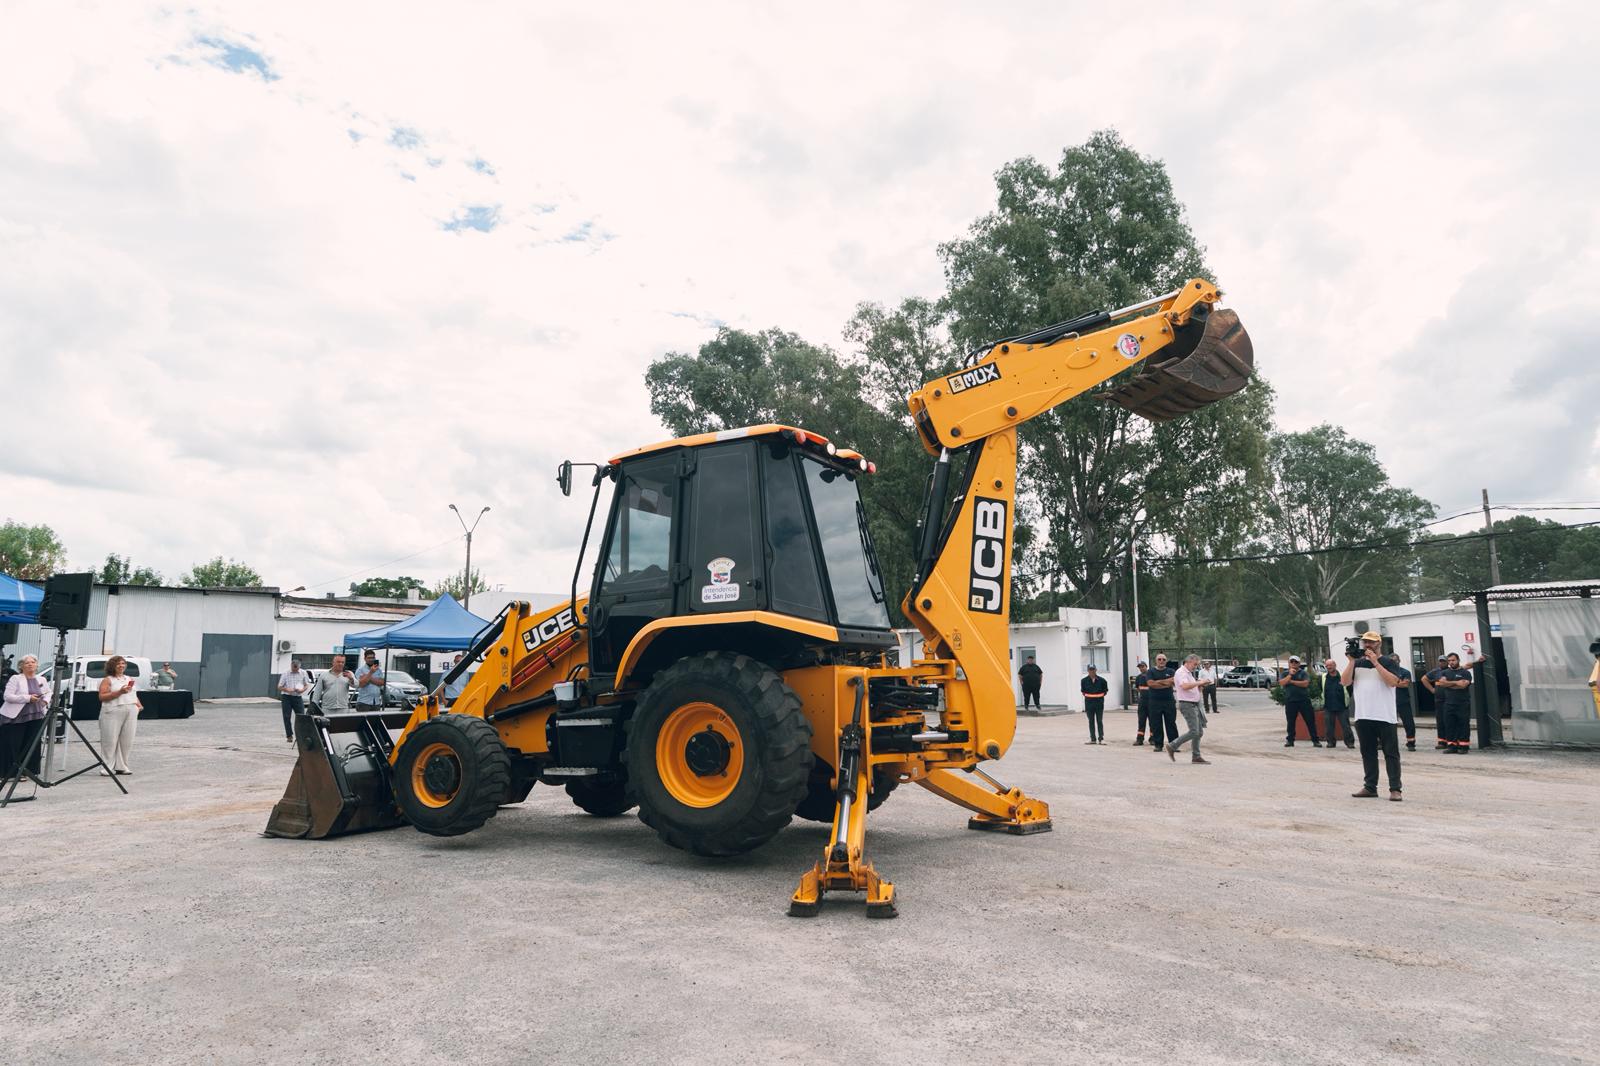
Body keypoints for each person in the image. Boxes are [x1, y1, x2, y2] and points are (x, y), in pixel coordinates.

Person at [1342, 631, 1402, 800]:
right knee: (1368, 753)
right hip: (1363, 715)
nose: (1368, 645)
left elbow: (1392, 682)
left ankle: (1395, 789)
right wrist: (1351, 662)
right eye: (1365, 642)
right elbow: (1345, 682)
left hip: (1385, 715)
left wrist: (1376, 662)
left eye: (1371, 642)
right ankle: (1370, 787)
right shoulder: (1358, 663)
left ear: (1379, 644)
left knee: (1391, 753)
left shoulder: (1389, 662)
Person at [1, 654, 50, 780]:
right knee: (14, 743)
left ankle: (27, 771)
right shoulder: (15, 678)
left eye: (33, 662)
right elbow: (7, 696)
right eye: (27, 662)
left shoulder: (41, 679)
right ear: (21, 666)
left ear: (37, 665)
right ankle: (10, 772)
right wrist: (28, 698)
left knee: (32, 743)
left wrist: (44, 701)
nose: (30, 664)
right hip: (17, 716)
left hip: (36, 715)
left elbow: (48, 692)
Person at [97, 654, 141, 776]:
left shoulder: (129, 678)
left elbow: (133, 694)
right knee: (109, 740)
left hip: (130, 709)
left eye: (123, 663)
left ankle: (122, 766)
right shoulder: (108, 680)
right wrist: (119, 692)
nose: (121, 666)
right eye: (118, 664)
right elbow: (102, 696)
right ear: (113, 666)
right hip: (112, 710)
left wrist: (138, 705)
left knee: (127, 740)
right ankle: (107, 766)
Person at [1167, 653, 1210, 764]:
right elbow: (1184, 686)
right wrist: (1199, 682)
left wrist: (1199, 687)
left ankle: (1196, 756)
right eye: (1195, 664)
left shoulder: (1189, 674)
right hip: (1187, 704)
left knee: (1199, 732)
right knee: (1194, 731)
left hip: (1194, 704)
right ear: (1188, 661)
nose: (1195, 666)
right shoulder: (1181, 672)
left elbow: (1191, 687)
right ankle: (1172, 745)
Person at [1436, 652, 1477, 753]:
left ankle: (1463, 746)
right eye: (1449, 661)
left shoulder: (1465, 673)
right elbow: (1442, 683)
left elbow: (1463, 685)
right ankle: (1452, 746)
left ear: (1458, 660)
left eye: (1453, 660)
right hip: (1448, 703)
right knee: (1450, 725)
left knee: (1463, 724)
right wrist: (1456, 683)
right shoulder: (1444, 672)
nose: (1451, 662)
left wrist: (1449, 684)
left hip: (1462, 703)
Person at [1281, 656, 1320, 747]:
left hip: (1304, 700)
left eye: (1296, 662)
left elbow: (1305, 684)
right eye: (1292, 662)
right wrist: (1290, 675)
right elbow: (1282, 683)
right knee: (1290, 722)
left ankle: (1315, 740)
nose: (1294, 663)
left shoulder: (1303, 673)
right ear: (1289, 663)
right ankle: (1290, 740)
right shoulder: (1285, 673)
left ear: (1299, 663)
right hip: (1291, 701)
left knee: (1310, 720)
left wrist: (1291, 681)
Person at [1144, 653, 1177, 753]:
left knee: (1171, 723)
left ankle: (1174, 744)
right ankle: (1158, 745)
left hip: (1169, 701)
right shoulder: (1150, 671)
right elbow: (1151, 684)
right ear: (1156, 661)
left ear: (1166, 661)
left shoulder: (1171, 671)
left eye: (1163, 659)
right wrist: (1166, 683)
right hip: (1155, 702)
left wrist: (1157, 682)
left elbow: (1174, 682)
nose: (1161, 661)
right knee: (1156, 724)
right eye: (1159, 659)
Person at [1322, 658, 1355, 749]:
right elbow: (1321, 689)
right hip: (1328, 706)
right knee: (1329, 726)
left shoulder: (1342, 676)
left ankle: (1350, 742)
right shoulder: (1323, 677)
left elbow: (1349, 689)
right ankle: (1330, 742)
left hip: (1342, 706)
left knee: (1346, 726)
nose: (1329, 667)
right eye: (1327, 665)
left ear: (1335, 665)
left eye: (1330, 665)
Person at [277, 659, 309, 743]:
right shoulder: (285, 673)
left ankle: (301, 735)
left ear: (299, 667)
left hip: (298, 697)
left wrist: (302, 690)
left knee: (301, 716)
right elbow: (279, 686)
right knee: (287, 716)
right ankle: (289, 735)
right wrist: (287, 689)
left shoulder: (303, 673)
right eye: (294, 669)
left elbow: (306, 685)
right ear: (291, 666)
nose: (295, 670)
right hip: (286, 697)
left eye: (297, 669)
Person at [1422, 655, 1449, 748]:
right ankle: (1442, 741)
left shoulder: (1451, 671)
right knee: (1440, 720)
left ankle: (1452, 741)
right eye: (1440, 661)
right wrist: (1432, 690)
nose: (1442, 663)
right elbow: (1424, 679)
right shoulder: (1435, 672)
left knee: (1450, 720)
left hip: (1450, 699)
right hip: (1439, 700)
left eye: (1444, 661)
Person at [1391, 660, 1418, 751]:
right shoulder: (1387, 671)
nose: (1394, 662)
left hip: (1403, 701)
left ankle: (1411, 742)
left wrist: (1392, 683)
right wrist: (1398, 683)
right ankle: (1386, 742)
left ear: (1399, 661)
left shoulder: (1405, 672)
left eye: (1395, 660)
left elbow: (1405, 684)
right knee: (1388, 723)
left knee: (1408, 722)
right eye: (1392, 660)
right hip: (1389, 702)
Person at [1080, 665, 1107, 745]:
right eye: (1090, 670)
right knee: (1091, 721)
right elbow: (1083, 692)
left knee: (1099, 721)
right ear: (1088, 670)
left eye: (1093, 670)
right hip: (1089, 704)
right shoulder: (1084, 681)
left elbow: (1105, 691)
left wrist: (1097, 697)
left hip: (1099, 704)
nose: (1092, 671)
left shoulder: (1102, 681)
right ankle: (1093, 739)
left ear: (1096, 670)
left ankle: (1101, 739)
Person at [1132, 661, 1150, 745]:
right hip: (1142, 702)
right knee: (1141, 720)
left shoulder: (1151, 675)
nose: (1141, 668)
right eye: (1140, 667)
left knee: (1153, 721)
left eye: (1142, 666)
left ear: (1146, 666)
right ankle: (1140, 739)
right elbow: (1138, 688)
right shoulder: (1138, 677)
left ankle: (1153, 738)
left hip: (1151, 701)